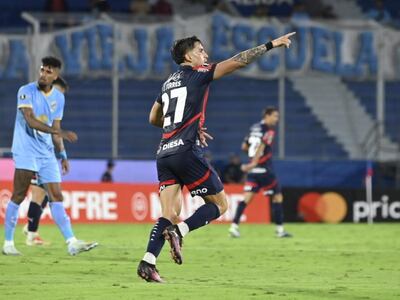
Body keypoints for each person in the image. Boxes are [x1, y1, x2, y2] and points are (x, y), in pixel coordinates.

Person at [137, 32, 295, 282]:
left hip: (164, 152)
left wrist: (178, 127)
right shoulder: (198, 74)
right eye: (201, 51)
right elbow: (238, 61)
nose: (205, 55)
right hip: (186, 151)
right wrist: (270, 44)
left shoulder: (168, 82)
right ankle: (180, 231)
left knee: (168, 212)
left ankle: (148, 262)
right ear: (188, 56)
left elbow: (153, 118)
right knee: (220, 205)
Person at [2, 56, 98, 256]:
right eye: (42, 70)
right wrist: (60, 134)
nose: (44, 75)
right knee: (19, 195)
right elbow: (30, 120)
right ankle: (8, 243)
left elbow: (56, 128)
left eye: (48, 72)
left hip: (46, 154)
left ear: (56, 75)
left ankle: (72, 242)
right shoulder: (26, 91)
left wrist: (62, 154)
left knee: (56, 196)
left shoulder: (59, 98)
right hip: (26, 150)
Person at [229, 107, 292, 238]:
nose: (277, 119)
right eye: (275, 116)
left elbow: (244, 147)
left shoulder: (254, 128)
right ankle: (280, 230)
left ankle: (234, 227)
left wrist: (251, 161)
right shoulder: (268, 131)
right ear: (267, 115)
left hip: (253, 171)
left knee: (246, 199)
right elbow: (262, 146)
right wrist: (254, 162)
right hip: (264, 169)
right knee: (277, 197)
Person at [22, 77, 69, 246]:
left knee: (47, 191)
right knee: (40, 192)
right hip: (33, 153)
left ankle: (30, 228)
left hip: (43, 154)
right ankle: (31, 233)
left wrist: (61, 153)